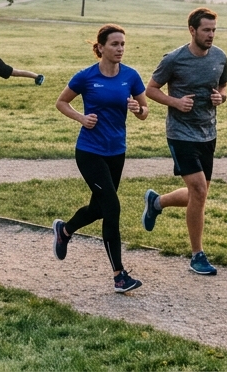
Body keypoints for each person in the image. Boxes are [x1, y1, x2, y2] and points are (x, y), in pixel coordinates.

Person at [51, 24, 149, 294]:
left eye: (123, 44)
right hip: (90, 151)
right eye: (115, 44)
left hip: (117, 151)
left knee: (99, 208)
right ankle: (119, 276)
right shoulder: (86, 76)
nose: (120, 49)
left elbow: (145, 111)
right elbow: (61, 102)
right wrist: (81, 118)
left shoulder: (131, 76)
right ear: (101, 47)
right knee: (112, 208)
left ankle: (65, 230)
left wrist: (137, 108)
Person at [140, 7, 227, 277]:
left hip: (208, 132)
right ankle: (196, 255)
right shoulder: (174, 60)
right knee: (200, 191)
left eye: (213, 30)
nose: (211, 35)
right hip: (180, 133)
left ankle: (156, 203)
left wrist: (221, 98)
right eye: (206, 30)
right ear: (192, 30)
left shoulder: (220, 57)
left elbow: (223, 86)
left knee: (197, 196)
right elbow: (150, 89)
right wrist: (175, 102)